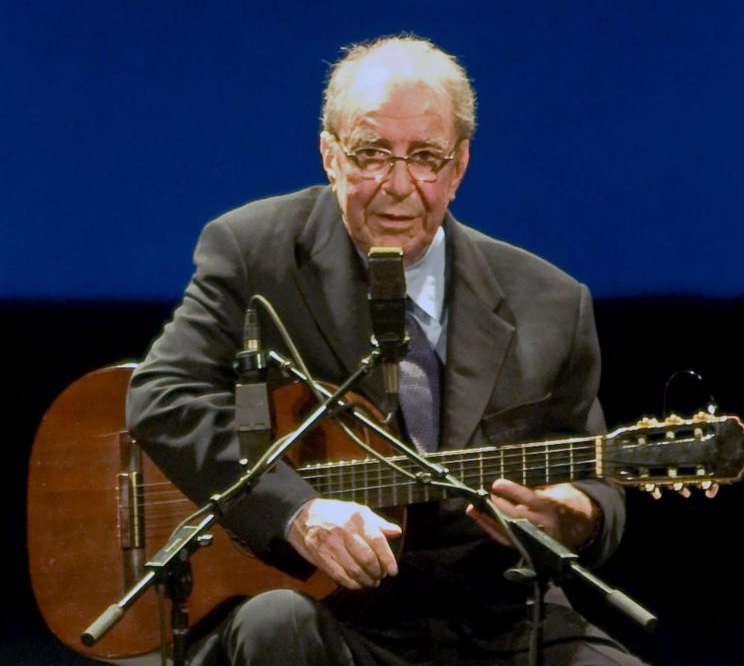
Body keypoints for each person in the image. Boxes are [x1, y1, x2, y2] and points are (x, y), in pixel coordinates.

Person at [126, 35, 645, 665]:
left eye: (425, 157)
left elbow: (592, 472)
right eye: (372, 153)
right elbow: (163, 395)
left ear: (458, 167)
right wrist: (295, 511)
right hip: (321, 609)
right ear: (329, 155)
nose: (399, 185)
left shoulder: (552, 301)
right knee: (275, 627)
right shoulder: (253, 252)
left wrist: (577, 514)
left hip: (496, 616)